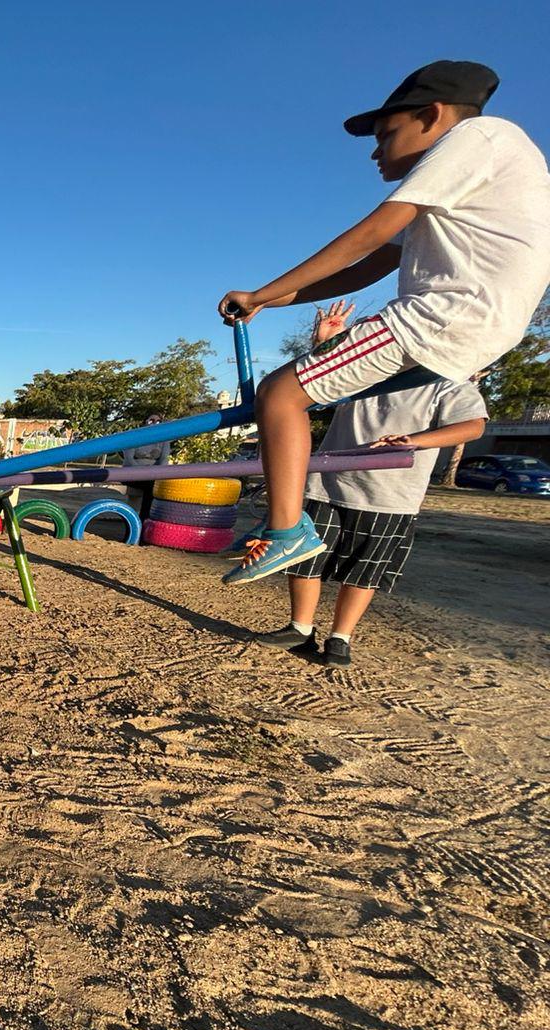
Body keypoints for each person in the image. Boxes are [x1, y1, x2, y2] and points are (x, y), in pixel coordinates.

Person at [217, 60, 550, 585]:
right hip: (471, 330)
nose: (376, 153)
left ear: (432, 115)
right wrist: (271, 301)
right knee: (297, 397)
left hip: (440, 316)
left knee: (279, 395)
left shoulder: (477, 137)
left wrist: (262, 290)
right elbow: (368, 268)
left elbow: (370, 234)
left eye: (386, 135)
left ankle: (287, 529)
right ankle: (283, 518)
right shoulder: (461, 186)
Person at [252, 302, 487, 666]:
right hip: (326, 483)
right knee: (305, 557)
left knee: (364, 568)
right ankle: (300, 628)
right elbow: (302, 390)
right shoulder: (365, 369)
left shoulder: (447, 381)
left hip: (389, 494)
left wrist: (415, 441)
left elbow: (473, 426)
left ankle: (340, 638)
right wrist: (325, 346)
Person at [121, 416, 170, 519]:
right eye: (151, 420)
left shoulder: (164, 439)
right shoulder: (135, 436)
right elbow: (129, 460)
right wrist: (142, 473)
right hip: (132, 474)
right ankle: (142, 520)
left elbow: (164, 460)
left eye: (158, 421)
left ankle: (147, 519)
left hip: (153, 476)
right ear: (145, 421)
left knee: (156, 486)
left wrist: (155, 473)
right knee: (151, 486)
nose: (154, 423)